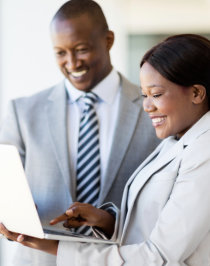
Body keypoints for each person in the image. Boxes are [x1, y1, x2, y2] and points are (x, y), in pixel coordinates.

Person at [1, 33, 210, 266]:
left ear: (196, 93)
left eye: (157, 95)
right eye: (144, 95)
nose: (147, 106)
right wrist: (107, 221)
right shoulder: (177, 140)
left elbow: (158, 255)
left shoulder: (204, 152)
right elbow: (155, 223)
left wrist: (57, 248)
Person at [0, 0, 159, 265]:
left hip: (122, 258)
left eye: (81, 49)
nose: (72, 63)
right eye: (60, 53)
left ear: (108, 40)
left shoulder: (152, 109)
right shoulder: (23, 111)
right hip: (38, 259)